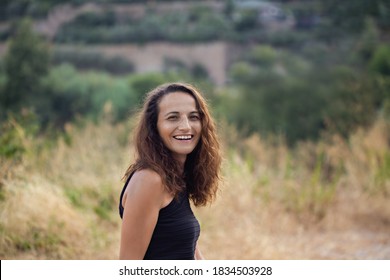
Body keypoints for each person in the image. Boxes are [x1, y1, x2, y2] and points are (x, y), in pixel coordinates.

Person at [119, 82, 222, 260]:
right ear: (155, 127)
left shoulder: (175, 176)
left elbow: (190, 252)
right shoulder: (149, 180)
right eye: (173, 118)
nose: (186, 126)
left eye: (194, 117)